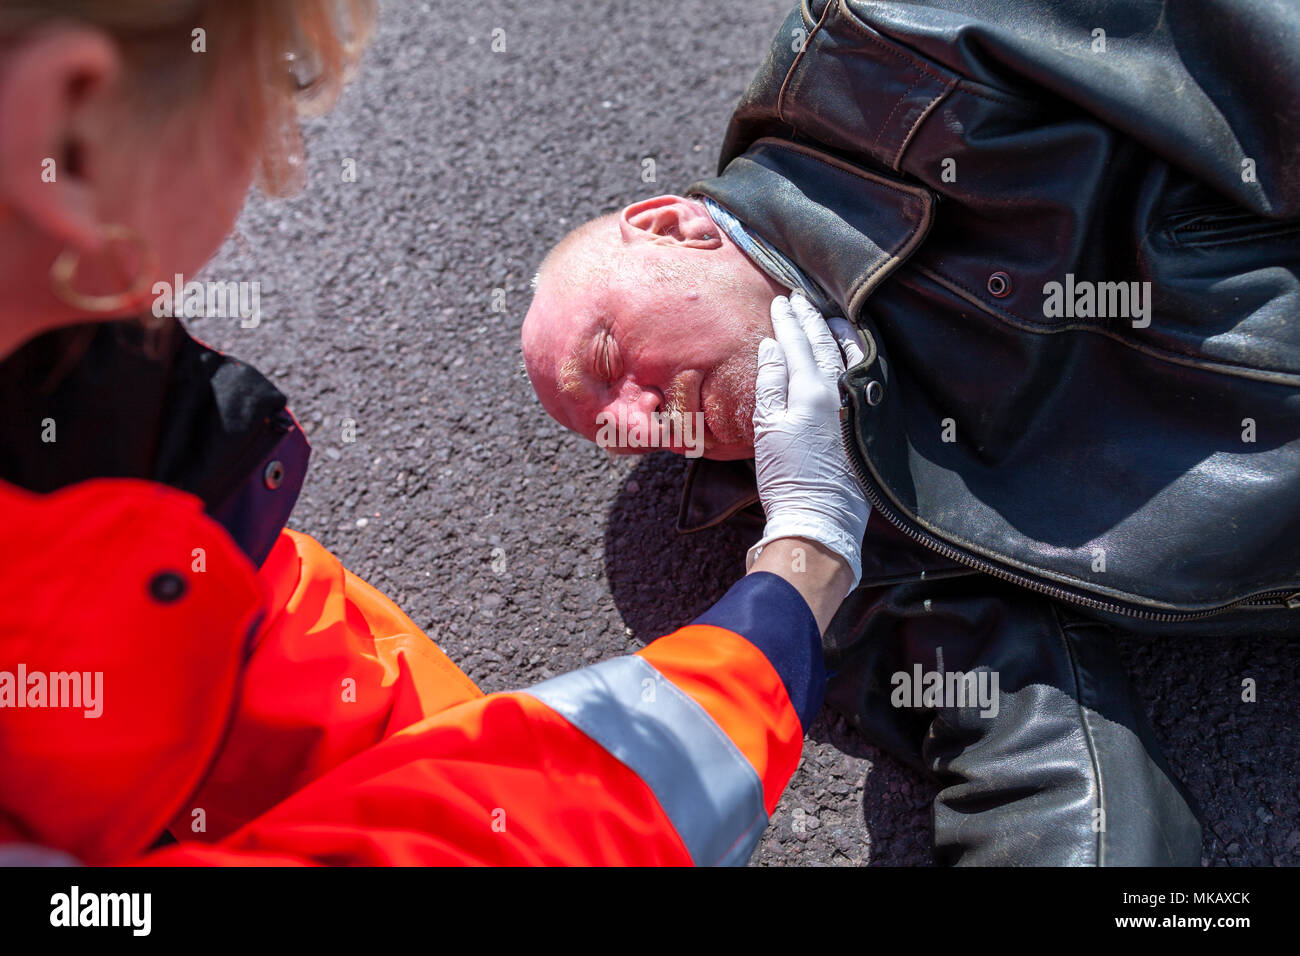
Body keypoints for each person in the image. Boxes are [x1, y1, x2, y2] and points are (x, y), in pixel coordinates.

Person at [0, 1, 869, 866]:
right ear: (72, 135)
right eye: (265, 92)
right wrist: (801, 568)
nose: (280, 168)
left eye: (282, 88)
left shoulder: (122, 485)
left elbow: (317, 698)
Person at [522, 0, 1300, 865]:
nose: (642, 416)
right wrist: (818, 545)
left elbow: (1250, 43)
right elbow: (1040, 759)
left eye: (609, 355)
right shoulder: (843, 543)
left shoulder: (884, 53)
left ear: (673, 225)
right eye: (620, 436)